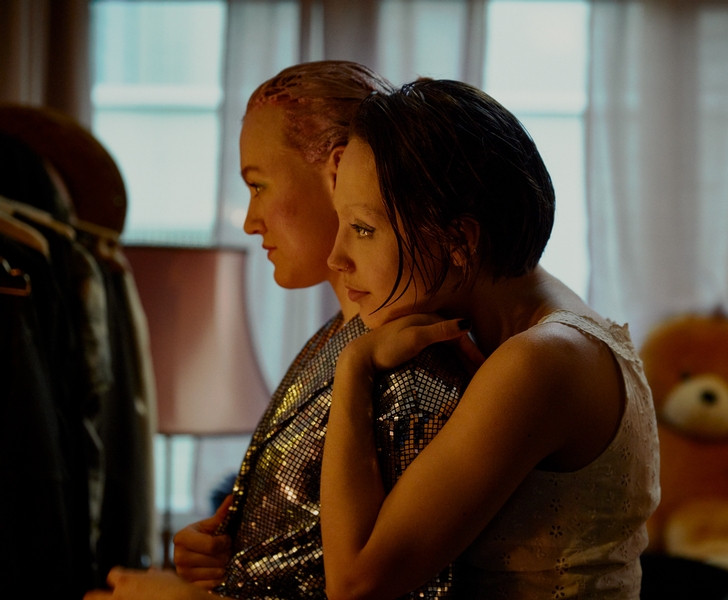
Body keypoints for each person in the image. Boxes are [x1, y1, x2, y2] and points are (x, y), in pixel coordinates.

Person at [84, 63, 472, 600]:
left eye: (258, 185)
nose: (250, 220)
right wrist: (232, 553)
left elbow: (404, 589)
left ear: (339, 170)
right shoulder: (335, 338)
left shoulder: (411, 369)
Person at [319, 79, 660, 599]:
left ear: (460, 239)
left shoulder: (540, 361)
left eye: (363, 228)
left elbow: (355, 583)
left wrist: (354, 367)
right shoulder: (539, 326)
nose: (336, 257)